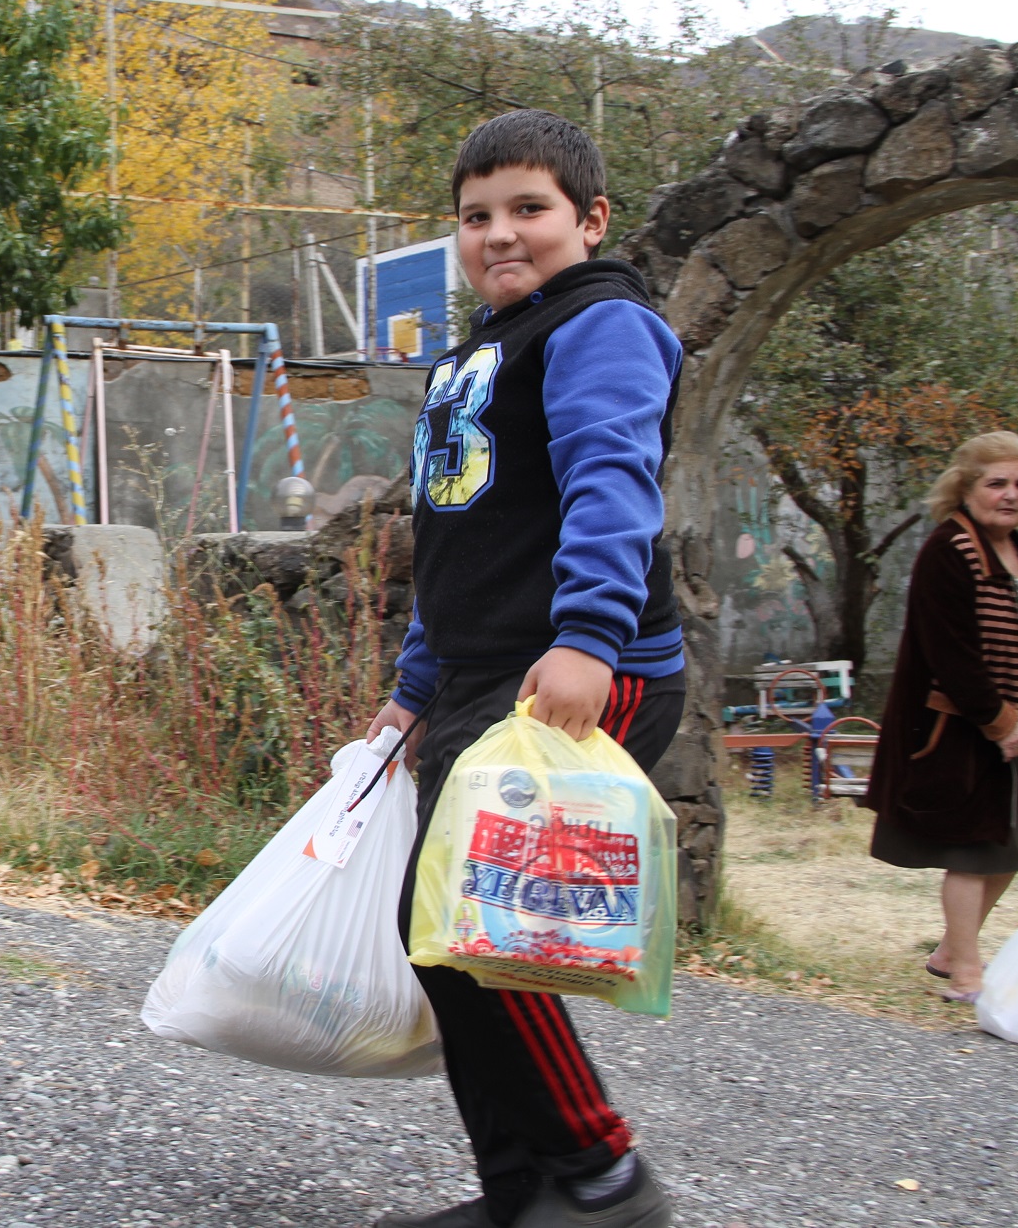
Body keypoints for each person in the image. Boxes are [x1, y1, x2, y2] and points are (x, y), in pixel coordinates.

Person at [367, 109, 682, 1228]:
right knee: (446, 932)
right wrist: (412, 691)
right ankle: (519, 1189)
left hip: (574, 669)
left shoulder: (599, 325)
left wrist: (588, 637)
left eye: (529, 210)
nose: (499, 234)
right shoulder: (472, 356)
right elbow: (453, 534)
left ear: (589, 219)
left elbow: (611, 480)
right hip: (477, 674)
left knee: (472, 929)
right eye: (474, 216)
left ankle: (599, 1176)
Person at [861, 432, 1018, 1003]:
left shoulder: (1015, 548)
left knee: (1014, 848)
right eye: (996, 483)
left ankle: (954, 950)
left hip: (1017, 723)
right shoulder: (949, 549)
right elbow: (949, 650)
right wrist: (999, 724)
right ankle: (968, 974)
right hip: (962, 730)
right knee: (972, 853)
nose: (1010, 495)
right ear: (966, 486)